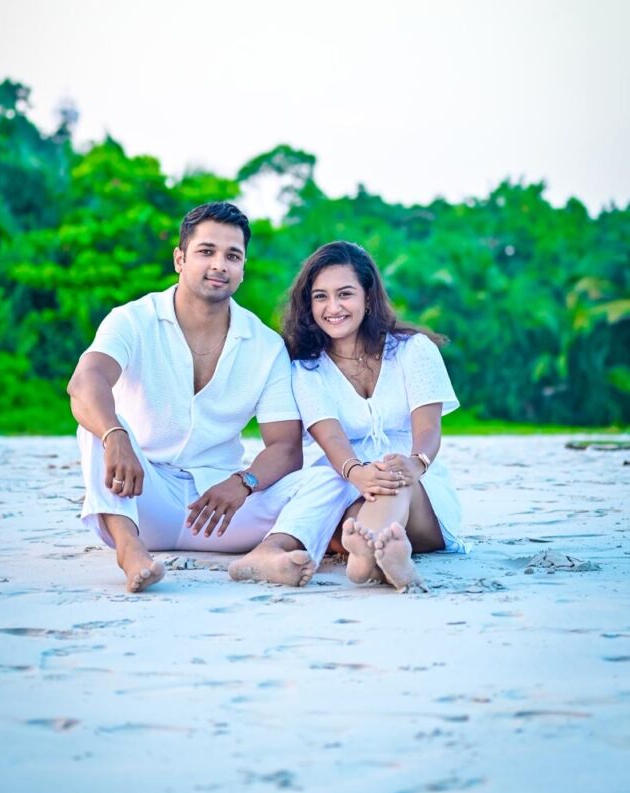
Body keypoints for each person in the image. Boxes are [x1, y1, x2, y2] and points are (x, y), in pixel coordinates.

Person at [68, 203, 356, 592]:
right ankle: (129, 551)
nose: (219, 265)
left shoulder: (265, 345)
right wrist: (114, 435)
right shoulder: (133, 319)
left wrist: (243, 482)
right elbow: (85, 381)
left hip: (222, 510)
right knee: (96, 424)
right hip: (140, 497)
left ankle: (266, 554)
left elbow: (286, 448)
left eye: (232, 256)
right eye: (207, 251)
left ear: (243, 268)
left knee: (333, 475)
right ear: (180, 259)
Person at [279, 240, 466, 591]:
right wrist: (357, 473)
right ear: (309, 304)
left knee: (392, 478)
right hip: (344, 484)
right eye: (320, 297)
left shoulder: (413, 350)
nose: (333, 307)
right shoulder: (306, 368)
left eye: (344, 294)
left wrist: (416, 463)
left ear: (368, 297)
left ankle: (367, 554)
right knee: (349, 516)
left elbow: (428, 428)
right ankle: (380, 557)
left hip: (416, 484)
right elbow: (329, 436)